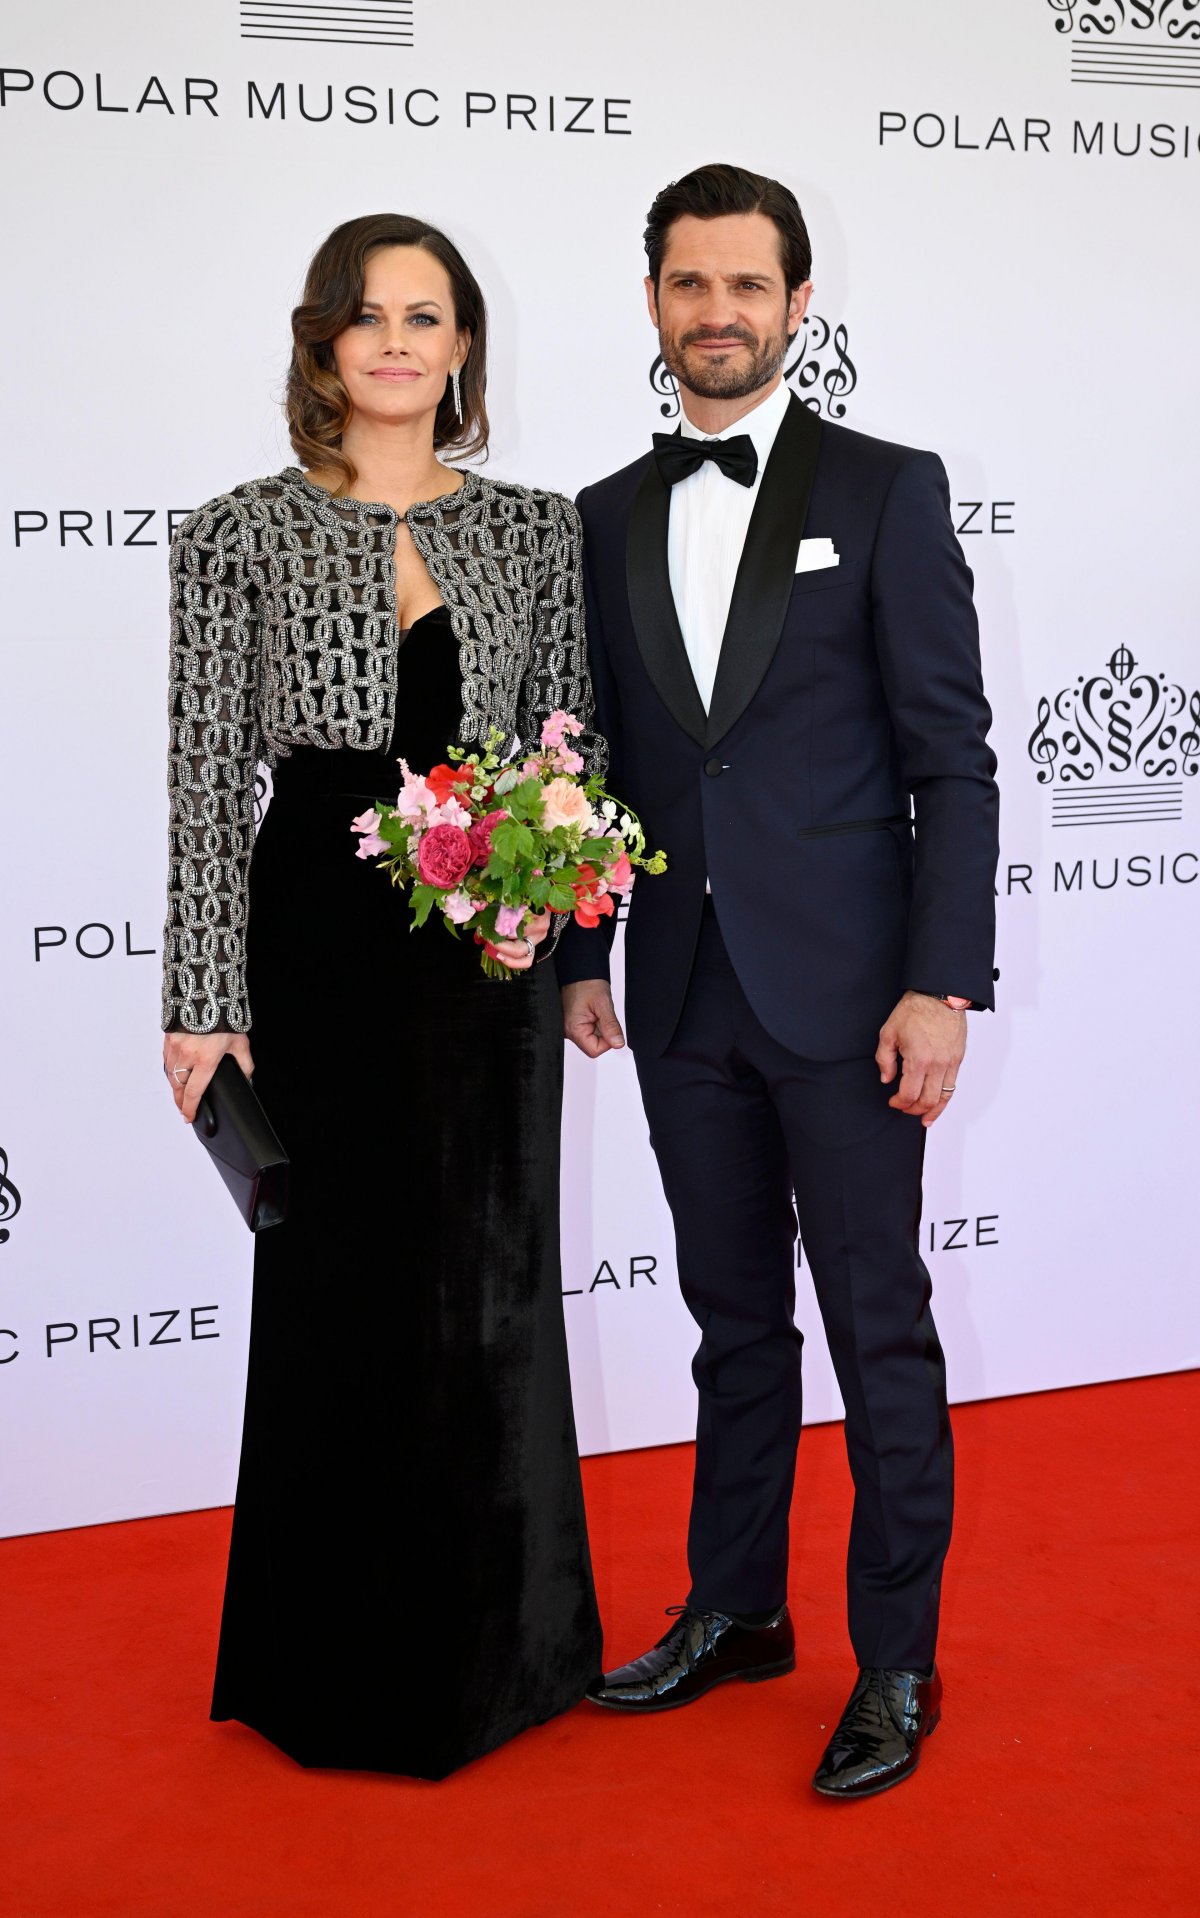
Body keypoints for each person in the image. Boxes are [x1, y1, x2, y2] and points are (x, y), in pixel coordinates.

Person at [556, 163, 999, 1798]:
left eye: (748, 284)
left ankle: (895, 1655)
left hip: (853, 992)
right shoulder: (601, 514)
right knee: (733, 1324)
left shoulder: (888, 487)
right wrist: (588, 952)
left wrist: (943, 980)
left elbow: (951, 759)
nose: (717, 312)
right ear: (656, 301)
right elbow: (588, 762)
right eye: (690, 283)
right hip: (679, 990)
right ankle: (737, 1606)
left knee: (879, 1326)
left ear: (798, 304)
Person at [161, 213, 603, 1780]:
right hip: (321, 949)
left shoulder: (538, 529)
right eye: (369, 315)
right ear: (324, 342)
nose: (399, 341)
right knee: (341, 1296)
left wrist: (554, 929)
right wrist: (203, 996)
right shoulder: (234, 532)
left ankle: (514, 1646)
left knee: (490, 1291)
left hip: (491, 940)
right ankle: (331, 1665)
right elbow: (207, 781)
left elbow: (572, 741)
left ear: (465, 343)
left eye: (428, 315)